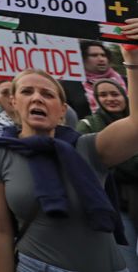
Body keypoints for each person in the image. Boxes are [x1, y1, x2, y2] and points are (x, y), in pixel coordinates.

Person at [0, 64, 138, 272]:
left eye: (48, 94)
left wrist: (132, 59)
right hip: (37, 266)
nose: (37, 98)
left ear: (62, 110)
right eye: (27, 92)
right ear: (13, 103)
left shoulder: (88, 147)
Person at [76, 78, 138, 271]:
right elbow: (90, 166)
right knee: (127, 263)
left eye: (115, 93)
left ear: (125, 95)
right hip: (116, 206)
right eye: (103, 95)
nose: (110, 98)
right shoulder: (87, 126)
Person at [80, 41, 127, 114]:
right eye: (94, 55)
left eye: (103, 55)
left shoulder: (126, 81)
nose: (101, 59)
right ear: (82, 58)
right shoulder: (73, 85)